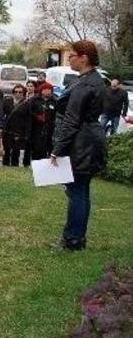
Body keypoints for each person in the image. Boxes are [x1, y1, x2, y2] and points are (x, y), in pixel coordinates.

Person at [51, 40, 106, 251]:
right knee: (80, 190)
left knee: (77, 191)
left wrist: (57, 150)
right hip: (88, 140)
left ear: (84, 58)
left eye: (72, 55)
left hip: (82, 143)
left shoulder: (86, 84)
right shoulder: (93, 80)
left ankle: (73, 239)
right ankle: (76, 237)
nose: (69, 58)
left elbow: (71, 120)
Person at [2, 84, 32, 167]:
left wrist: (26, 134)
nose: (18, 94)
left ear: (24, 93)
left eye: (20, 92)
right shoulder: (7, 101)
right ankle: (5, 166)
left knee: (16, 151)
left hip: (19, 131)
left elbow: (29, 120)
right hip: (7, 130)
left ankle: (15, 166)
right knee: (6, 150)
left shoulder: (27, 104)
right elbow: (2, 114)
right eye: (16, 92)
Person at [30, 82, 57, 161]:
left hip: (49, 129)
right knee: (36, 149)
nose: (47, 91)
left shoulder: (54, 101)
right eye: (45, 90)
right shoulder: (35, 100)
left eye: (49, 90)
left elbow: (56, 114)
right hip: (36, 128)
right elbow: (29, 112)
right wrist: (36, 116)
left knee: (47, 148)